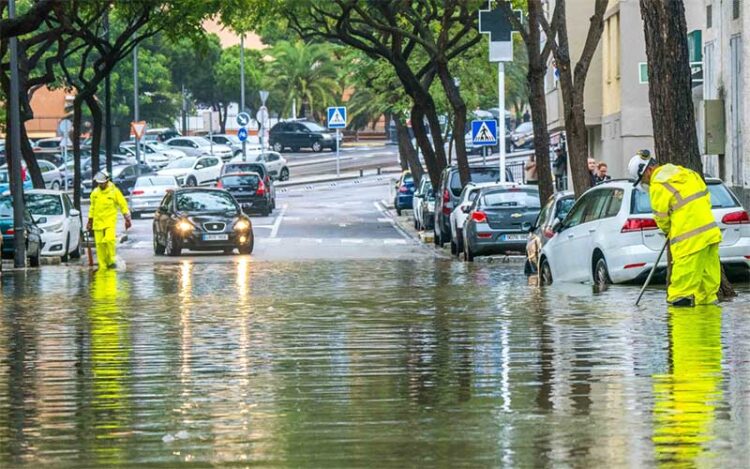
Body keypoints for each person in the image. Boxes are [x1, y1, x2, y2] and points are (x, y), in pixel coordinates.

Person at [628, 150, 722, 306]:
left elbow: (662, 218)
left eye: (643, 179)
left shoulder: (658, 184)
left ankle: (681, 330)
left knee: (679, 294)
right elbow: (706, 198)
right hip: (710, 236)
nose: (646, 184)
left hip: (689, 242)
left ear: (648, 170)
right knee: (707, 292)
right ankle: (707, 328)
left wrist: (669, 230)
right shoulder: (686, 173)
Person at [87, 170, 131, 270]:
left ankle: (111, 260)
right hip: (98, 223)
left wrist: (127, 218)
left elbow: (123, 204)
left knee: (109, 240)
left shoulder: (114, 191)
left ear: (107, 181)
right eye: (99, 183)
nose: (101, 185)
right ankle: (103, 267)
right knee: (100, 245)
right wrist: (90, 221)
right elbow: (92, 208)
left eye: (102, 183)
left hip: (109, 222)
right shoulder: (95, 193)